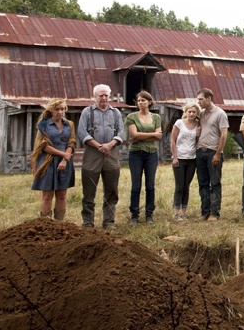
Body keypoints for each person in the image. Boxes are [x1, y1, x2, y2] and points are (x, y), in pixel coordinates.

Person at [77, 84, 124, 229]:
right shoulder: (87, 112)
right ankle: (88, 222)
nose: (103, 98)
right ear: (95, 96)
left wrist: (109, 145)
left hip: (111, 155)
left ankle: (109, 222)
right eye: (100, 95)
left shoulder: (116, 113)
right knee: (89, 191)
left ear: (110, 97)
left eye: (106, 95)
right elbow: (82, 132)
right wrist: (99, 146)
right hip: (92, 155)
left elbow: (121, 133)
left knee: (111, 191)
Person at [31, 98, 76, 220]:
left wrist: (65, 159)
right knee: (47, 194)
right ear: (51, 110)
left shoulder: (69, 124)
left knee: (62, 194)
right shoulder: (44, 125)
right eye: (57, 109)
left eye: (63, 109)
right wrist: (63, 154)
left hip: (64, 163)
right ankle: (46, 223)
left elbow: (71, 142)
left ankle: (59, 223)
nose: (60, 112)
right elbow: (43, 146)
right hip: (48, 162)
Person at [124, 91, 162, 225]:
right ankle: (134, 214)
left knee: (150, 185)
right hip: (136, 154)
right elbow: (133, 134)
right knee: (136, 185)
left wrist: (140, 136)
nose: (140, 103)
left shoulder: (156, 117)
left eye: (143, 100)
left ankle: (149, 214)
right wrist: (152, 135)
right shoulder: (131, 116)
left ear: (149, 102)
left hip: (151, 154)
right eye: (139, 100)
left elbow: (159, 136)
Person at [196, 88, 229, 221]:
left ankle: (214, 213)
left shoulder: (220, 113)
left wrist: (218, 153)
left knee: (214, 183)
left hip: (213, 152)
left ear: (209, 98)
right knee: (202, 183)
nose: (198, 102)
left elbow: (224, 134)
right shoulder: (202, 113)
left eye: (201, 99)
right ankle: (205, 212)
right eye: (198, 99)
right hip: (200, 151)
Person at [171, 102, 200, 221]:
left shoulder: (198, 125)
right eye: (190, 111)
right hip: (180, 158)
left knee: (186, 186)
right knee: (179, 186)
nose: (192, 114)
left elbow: (197, 142)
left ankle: (184, 212)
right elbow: (173, 140)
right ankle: (176, 212)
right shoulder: (179, 123)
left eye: (194, 112)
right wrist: (174, 157)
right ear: (186, 112)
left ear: (196, 113)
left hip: (192, 159)